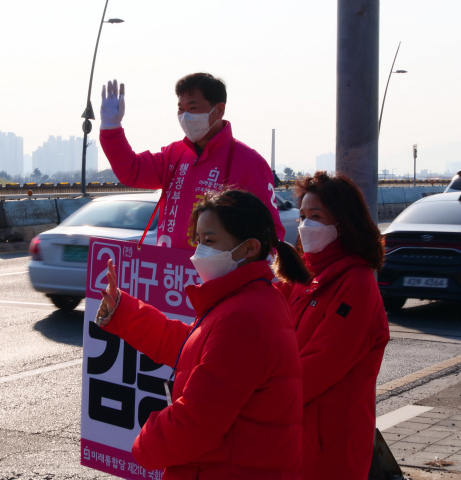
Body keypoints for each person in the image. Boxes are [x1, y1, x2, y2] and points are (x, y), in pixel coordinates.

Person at [95, 189, 310, 480]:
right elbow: (188, 348)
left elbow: (197, 421)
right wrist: (123, 310)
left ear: (249, 248)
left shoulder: (243, 316)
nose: (199, 252)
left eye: (210, 241)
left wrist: (145, 442)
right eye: (198, 240)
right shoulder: (245, 300)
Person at [274, 172, 390, 480]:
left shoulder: (357, 284)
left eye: (316, 216)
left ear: (343, 221)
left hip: (331, 444)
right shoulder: (303, 274)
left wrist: (258, 395)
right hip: (292, 432)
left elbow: (321, 364)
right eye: (302, 216)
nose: (305, 225)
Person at [100, 73, 284, 249]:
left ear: (219, 110)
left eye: (193, 108)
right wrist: (111, 128)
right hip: (169, 273)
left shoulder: (249, 163)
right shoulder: (174, 155)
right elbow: (132, 170)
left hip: (219, 277)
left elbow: (271, 232)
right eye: (181, 108)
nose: (185, 116)